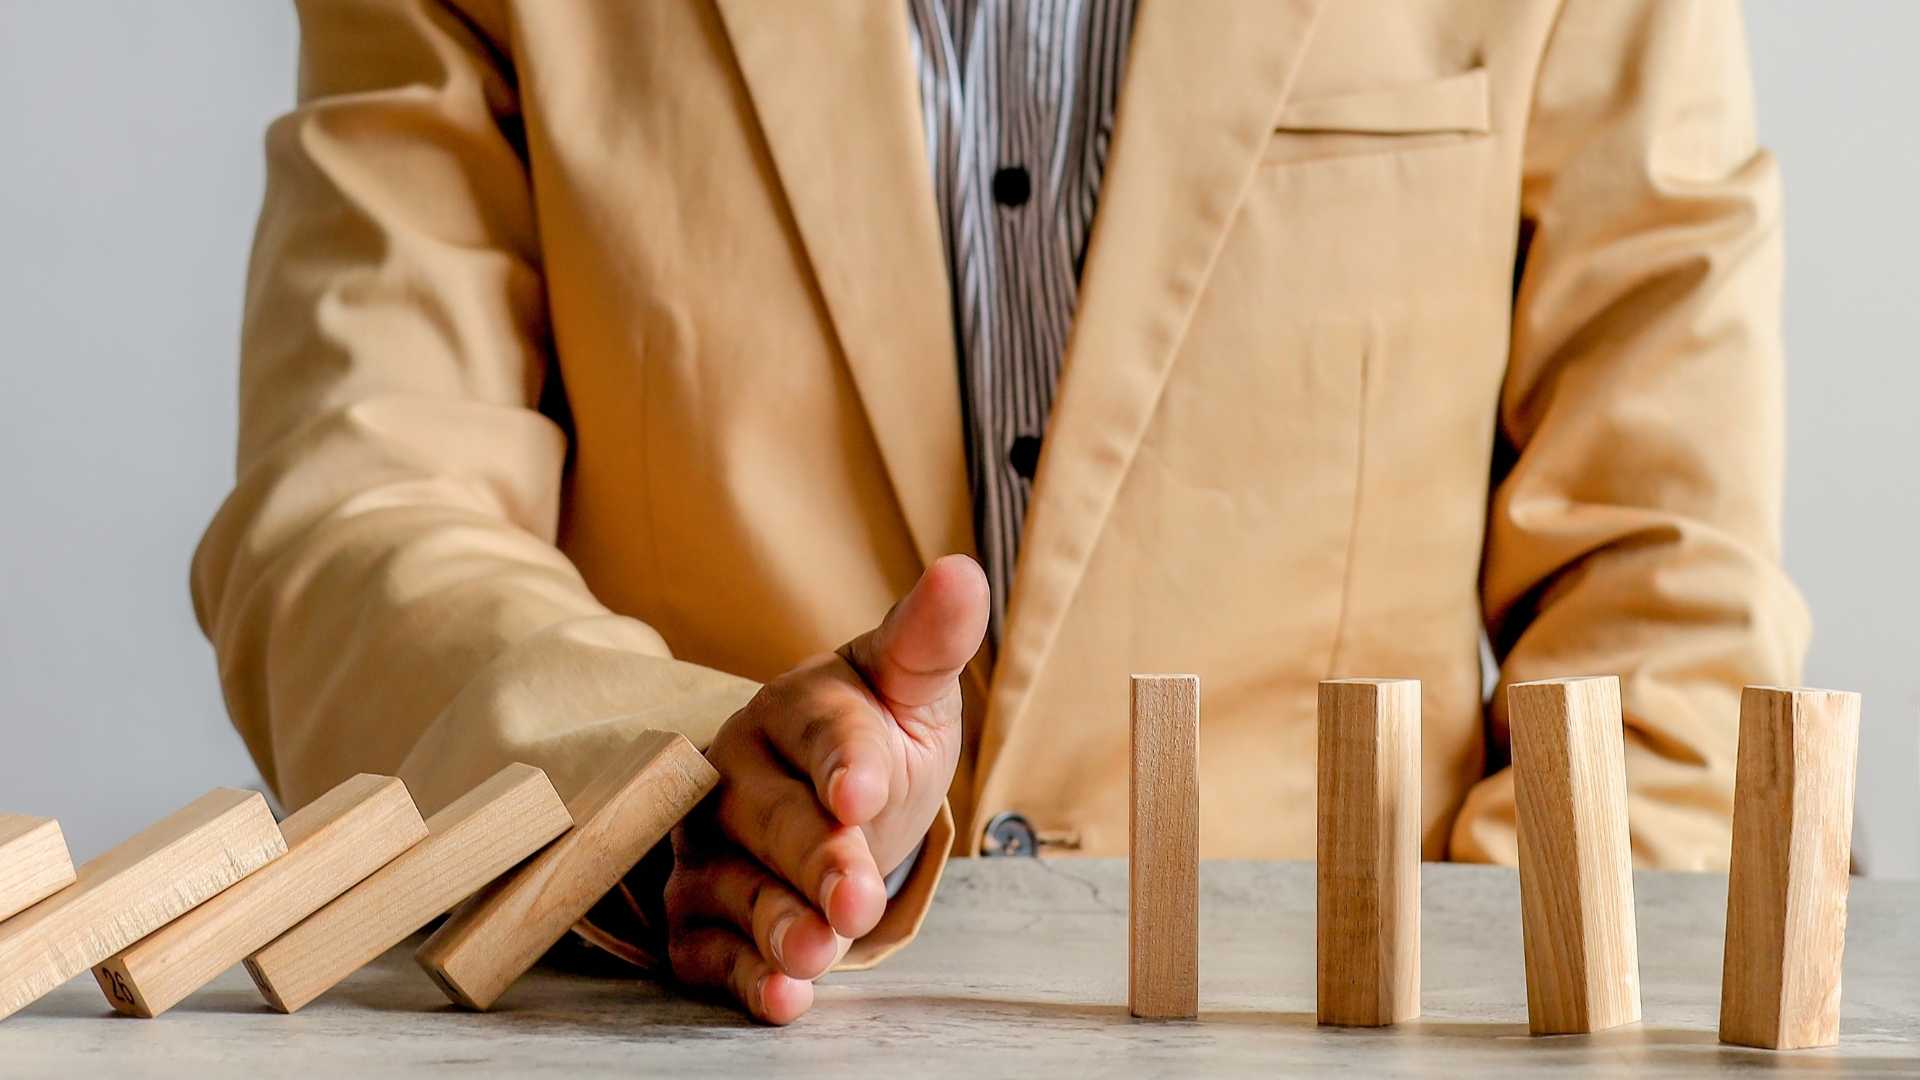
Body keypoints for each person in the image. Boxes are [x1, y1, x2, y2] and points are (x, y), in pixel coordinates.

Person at [194, 0, 1807, 1024]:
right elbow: (350, 503)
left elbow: (1671, 586)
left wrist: (1492, 1014)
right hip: (721, 1020)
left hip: (1339, 1028)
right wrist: (676, 784)